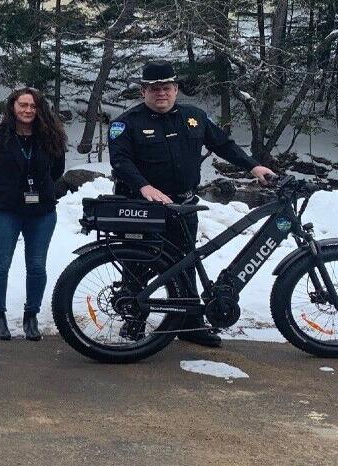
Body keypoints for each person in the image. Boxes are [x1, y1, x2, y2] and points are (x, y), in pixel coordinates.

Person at [109, 61, 274, 348]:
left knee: (185, 262)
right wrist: (144, 187)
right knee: (137, 263)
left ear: (176, 89)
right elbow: (120, 161)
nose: (161, 93)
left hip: (184, 206)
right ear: (144, 91)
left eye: (167, 88)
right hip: (144, 207)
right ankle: (134, 318)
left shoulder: (194, 117)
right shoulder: (127, 123)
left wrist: (253, 167)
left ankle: (190, 325)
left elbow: (224, 145)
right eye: (154, 89)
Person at [0, 87, 67, 341]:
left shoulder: (50, 136)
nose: (28, 110)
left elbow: (57, 169)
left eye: (33, 106)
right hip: (5, 211)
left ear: (40, 109)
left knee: (36, 266)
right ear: (13, 107)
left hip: (41, 211)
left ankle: (31, 315)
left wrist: (40, 187)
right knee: (0, 264)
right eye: (23, 105)